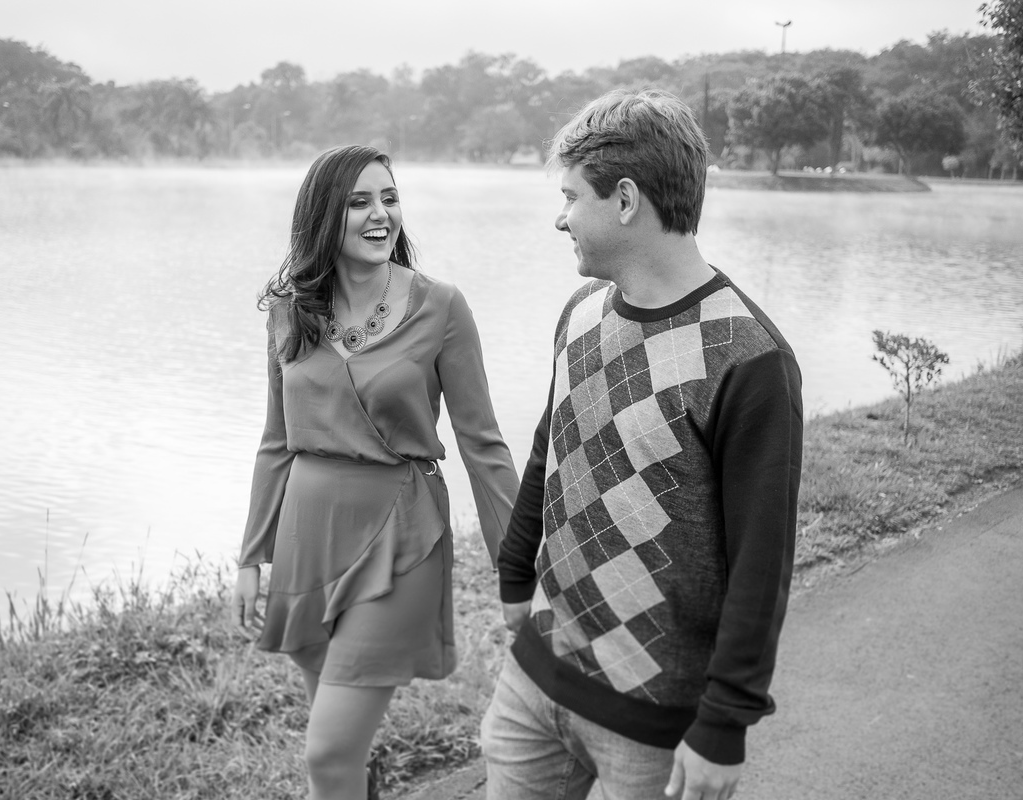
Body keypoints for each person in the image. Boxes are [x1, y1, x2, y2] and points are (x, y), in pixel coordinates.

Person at [481, 89, 803, 800]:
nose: (559, 218)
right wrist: (514, 574)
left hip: (654, 722)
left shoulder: (749, 360)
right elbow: (549, 449)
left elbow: (762, 561)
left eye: (571, 197)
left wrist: (725, 723)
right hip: (535, 680)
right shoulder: (579, 313)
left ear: (625, 200)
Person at [231, 144, 519, 800]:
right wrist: (251, 555)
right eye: (359, 201)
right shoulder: (290, 309)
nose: (380, 214)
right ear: (322, 216)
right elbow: (276, 441)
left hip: (399, 534)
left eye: (389, 198)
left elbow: (482, 446)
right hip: (308, 536)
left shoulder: (440, 306)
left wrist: (517, 567)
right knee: (342, 748)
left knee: (327, 754)